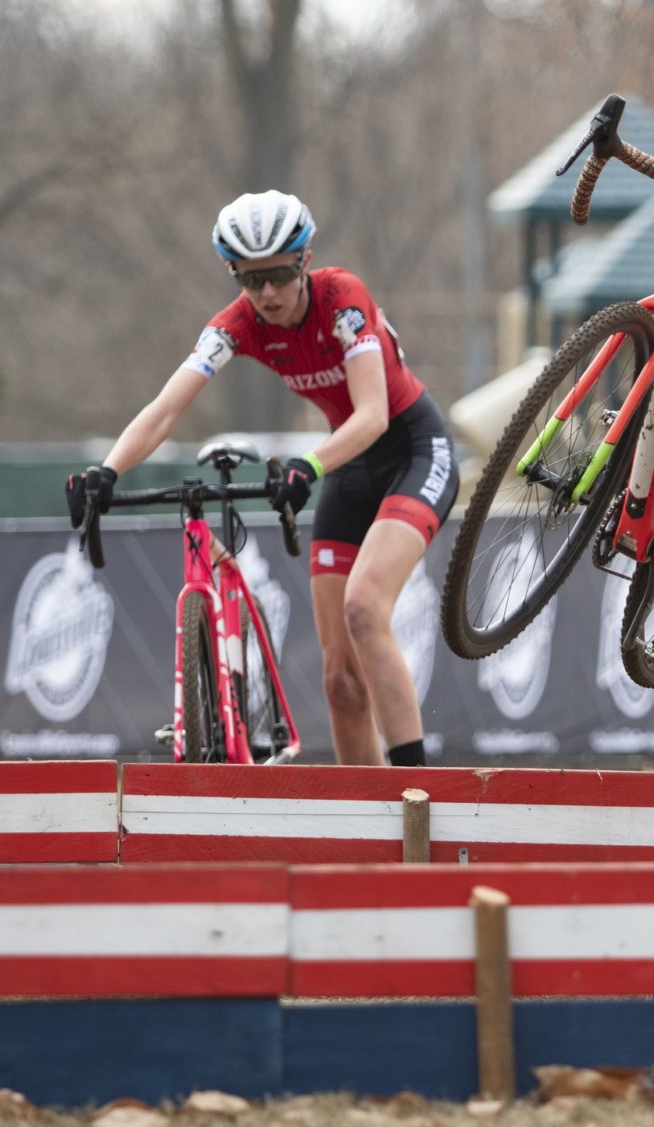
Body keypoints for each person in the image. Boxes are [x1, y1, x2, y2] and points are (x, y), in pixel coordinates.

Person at [66, 190, 459, 767]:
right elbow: (167, 408)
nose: (267, 293)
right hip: (348, 463)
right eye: (250, 281)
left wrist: (311, 465)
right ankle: (367, 834)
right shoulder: (238, 325)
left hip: (412, 450)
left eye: (278, 274)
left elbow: (373, 414)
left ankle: (414, 797)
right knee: (338, 680)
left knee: (364, 609)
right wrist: (108, 470)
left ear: (303, 261)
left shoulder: (342, 298)